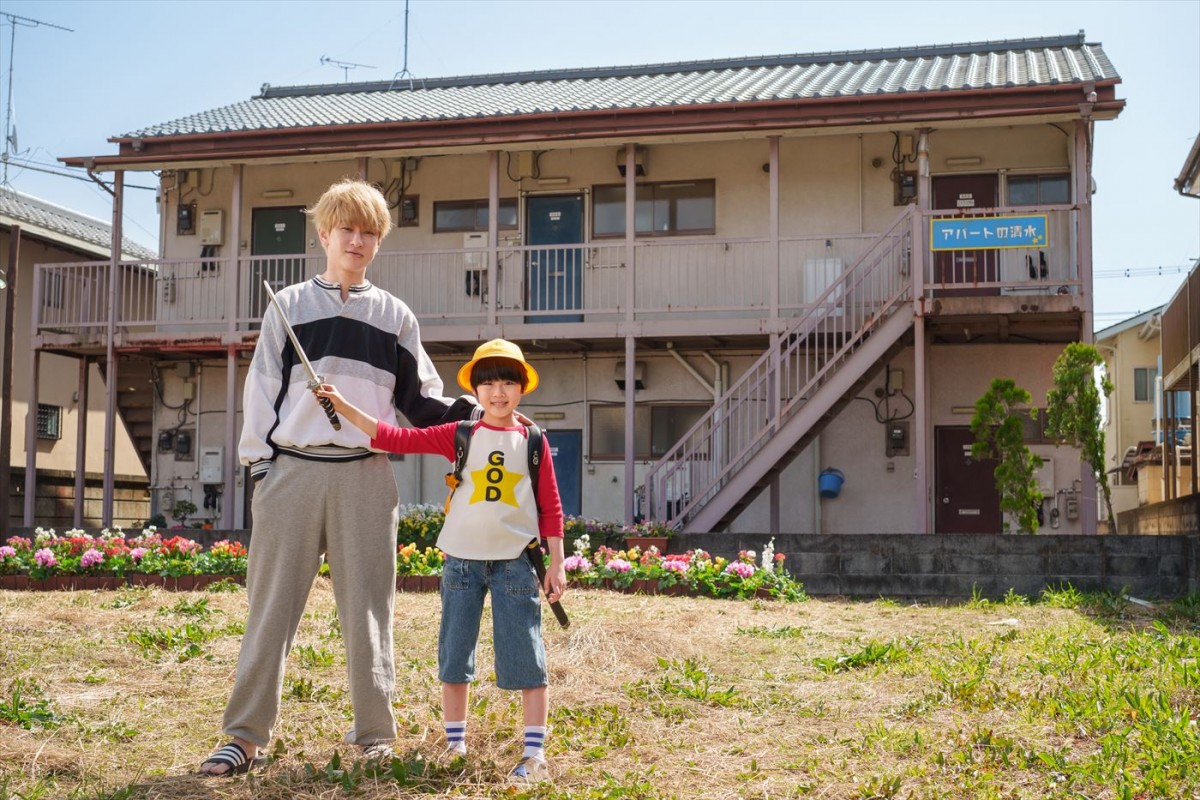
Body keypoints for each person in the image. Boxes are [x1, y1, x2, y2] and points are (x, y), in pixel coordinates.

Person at [200, 178, 481, 777]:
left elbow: (421, 400)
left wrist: (478, 415)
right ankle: (243, 735)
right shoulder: (289, 307)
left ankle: (375, 733)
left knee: (370, 610)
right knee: (270, 608)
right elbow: (261, 395)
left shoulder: (394, 315)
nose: (356, 240)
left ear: (379, 242)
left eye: (369, 232)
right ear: (323, 234)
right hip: (292, 472)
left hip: (366, 475)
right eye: (345, 229)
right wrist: (261, 471)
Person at [314, 338, 566, 785]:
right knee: (455, 654)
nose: (498, 392)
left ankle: (534, 753)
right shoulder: (460, 433)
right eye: (488, 383)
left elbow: (550, 504)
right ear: (475, 390)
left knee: (527, 656)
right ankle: (455, 745)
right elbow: (394, 436)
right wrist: (343, 405)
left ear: (522, 388)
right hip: (461, 565)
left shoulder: (533, 439)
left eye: (508, 382)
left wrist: (556, 561)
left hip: (515, 564)